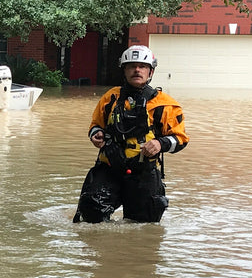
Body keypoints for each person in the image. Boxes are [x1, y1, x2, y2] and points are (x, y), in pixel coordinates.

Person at [74, 44, 187, 223]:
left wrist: (160, 144)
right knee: (91, 214)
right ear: (124, 70)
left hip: (143, 172)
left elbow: (180, 139)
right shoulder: (110, 98)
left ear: (150, 72)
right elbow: (96, 125)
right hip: (109, 168)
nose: (137, 70)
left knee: (143, 226)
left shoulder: (165, 105)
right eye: (132, 66)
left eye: (142, 66)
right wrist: (96, 134)